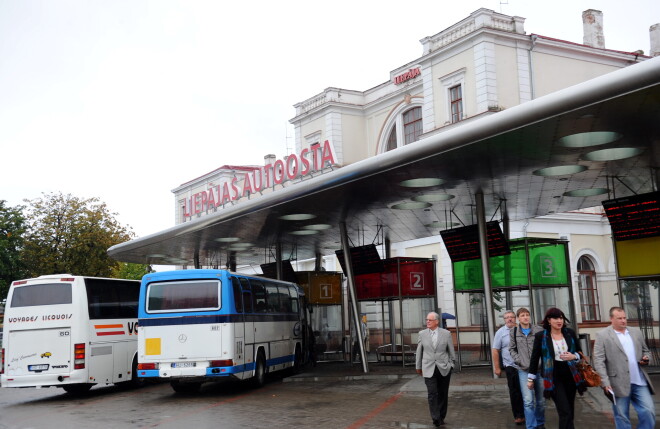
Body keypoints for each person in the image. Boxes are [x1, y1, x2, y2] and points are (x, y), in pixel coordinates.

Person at [592, 306, 656, 429]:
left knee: (649, 411)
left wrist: (646, 358)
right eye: (619, 318)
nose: (623, 321)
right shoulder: (602, 335)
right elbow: (599, 360)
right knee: (621, 415)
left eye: (624, 318)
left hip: (639, 381)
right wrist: (605, 382)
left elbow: (646, 351)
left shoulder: (636, 332)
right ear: (612, 319)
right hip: (617, 383)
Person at [527, 308, 586, 429]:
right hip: (553, 376)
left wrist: (573, 356)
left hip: (571, 375)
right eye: (556, 318)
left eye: (561, 318)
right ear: (549, 320)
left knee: (570, 409)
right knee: (564, 410)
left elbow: (580, 353)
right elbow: (534, 358)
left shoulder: (569, 333)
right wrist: (530, 378)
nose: (559, 321)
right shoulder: (541, 336)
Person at [416, 311, 456, 427]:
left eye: (430, 320)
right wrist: (418, 367)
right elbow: (419, 351)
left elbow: (451, 352)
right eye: (427, 320)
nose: (427, 321)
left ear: (437, 322)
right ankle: (435, 418)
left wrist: (451, 365)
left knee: (443, 394)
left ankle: (441, 416)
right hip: (428, 368)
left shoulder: (446, 334)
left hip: (444, 368)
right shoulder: (422, 334)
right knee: (432, 393)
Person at [510, 307, 545, 429]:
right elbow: (512, 349)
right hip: (524, 371)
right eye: (523, 315)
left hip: (539, 370)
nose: (525, 317)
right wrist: (519, 361)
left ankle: (540, 423)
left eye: (527, 315)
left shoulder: (538, 330)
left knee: (541, 401)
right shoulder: (514, 331)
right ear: (518, 318)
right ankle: (531, 426)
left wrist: (542, 361)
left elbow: (544, 347)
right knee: (528, 401)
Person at [492, 310, 525, 425]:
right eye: (507, 317)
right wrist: (497, 368)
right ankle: (518, 415)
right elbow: (495, 350)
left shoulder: (522, 329)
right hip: (510, 366)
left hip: (524, 365)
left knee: (526, 390)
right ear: (504, 320)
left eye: (511, 317)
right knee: (514, 391)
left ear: (515, 318)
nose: (509, 319)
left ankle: (527, 413)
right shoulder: (500, 333)